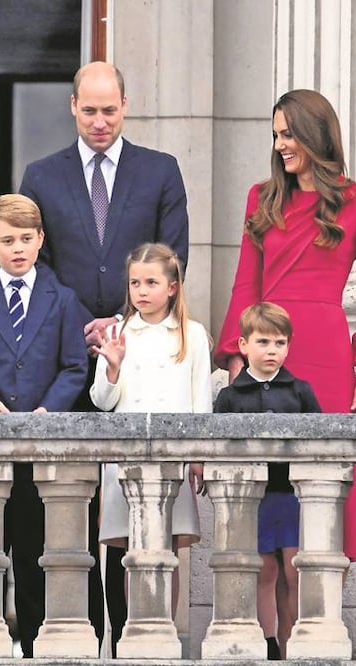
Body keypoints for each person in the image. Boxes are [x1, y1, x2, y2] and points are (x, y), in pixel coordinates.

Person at [18, 60, 189, 651]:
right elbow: (34, 264)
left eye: (109, 110)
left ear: (126, 106)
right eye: (88, 110)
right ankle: (66, 636)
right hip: (61, 362)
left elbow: (173, 257)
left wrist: (120, 319)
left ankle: (128, 639)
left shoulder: (160, 171)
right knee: (59, 502)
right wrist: (79, 324)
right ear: (72, 106)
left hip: (138, 357)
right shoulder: (41, 175)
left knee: (129, 508)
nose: (99, 121)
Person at [214, 89, 356, 568]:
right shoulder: (262, 198)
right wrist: (236, 359)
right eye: (276, 135)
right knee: (266, 488)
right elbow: (245, 283)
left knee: (327, 484)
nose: (280, 145)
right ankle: (274, 616)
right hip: (267, 351)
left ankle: (325, 609)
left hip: (326, 353)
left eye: (288, 134)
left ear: (316, 135)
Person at [0, 193, 91, 657]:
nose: (18, 248)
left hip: (40, 452)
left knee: (32, 555)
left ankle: (32, 649)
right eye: (8, 240)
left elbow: (74, 366)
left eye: (26, 238)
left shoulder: (63, 300)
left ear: (41, 239)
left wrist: (49, 410)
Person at [89, 242, 209, 618]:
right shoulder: (118, 331)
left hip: (174, 459)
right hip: (127, 460)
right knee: (133, 551)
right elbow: (102, 401)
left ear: (172, 287)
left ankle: (165, 630)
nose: (141, 291)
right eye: (135, 283)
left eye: (151, 283)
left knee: (167, 551)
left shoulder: (192, 334)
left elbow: (201, 403)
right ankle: (134, 630)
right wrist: (112, 367)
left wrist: (199, 457)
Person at [214, 302, 321, 660]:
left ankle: (295, 644)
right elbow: (219, 448)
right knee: (264, 571)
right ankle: (268, 645)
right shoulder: (230, 396)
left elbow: (320, 442)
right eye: (263, 342)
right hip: (252, 500)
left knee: (295, 570)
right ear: (243, 345)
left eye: (279, 343)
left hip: (291, 496)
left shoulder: (300, 391)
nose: (272, 350)